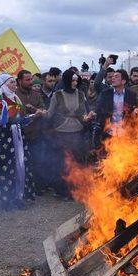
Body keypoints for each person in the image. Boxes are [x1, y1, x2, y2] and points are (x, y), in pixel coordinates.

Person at [0, 73, 43, 210]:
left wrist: (33, 116)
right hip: (4, 139)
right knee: (7, 168)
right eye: (11, 82)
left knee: (20, 166)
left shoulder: (15, 98)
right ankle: (6, 200)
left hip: (17, 135)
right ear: (4, 84)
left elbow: (20, 118)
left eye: (14, 82)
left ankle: (18, 197)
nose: (14, 84)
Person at [46, 69, 96, 198]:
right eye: (72, 80)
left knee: (76, 162)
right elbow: (49, 114)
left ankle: (76, 190)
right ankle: (62, 191)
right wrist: (39, 113)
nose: (75, 82)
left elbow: (84, 114)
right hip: (61, 133)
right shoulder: (57, 95)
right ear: (67, 80)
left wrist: (89, 116)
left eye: (76, 80)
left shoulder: (80, 94)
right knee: (62, 163)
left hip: (77, 132)